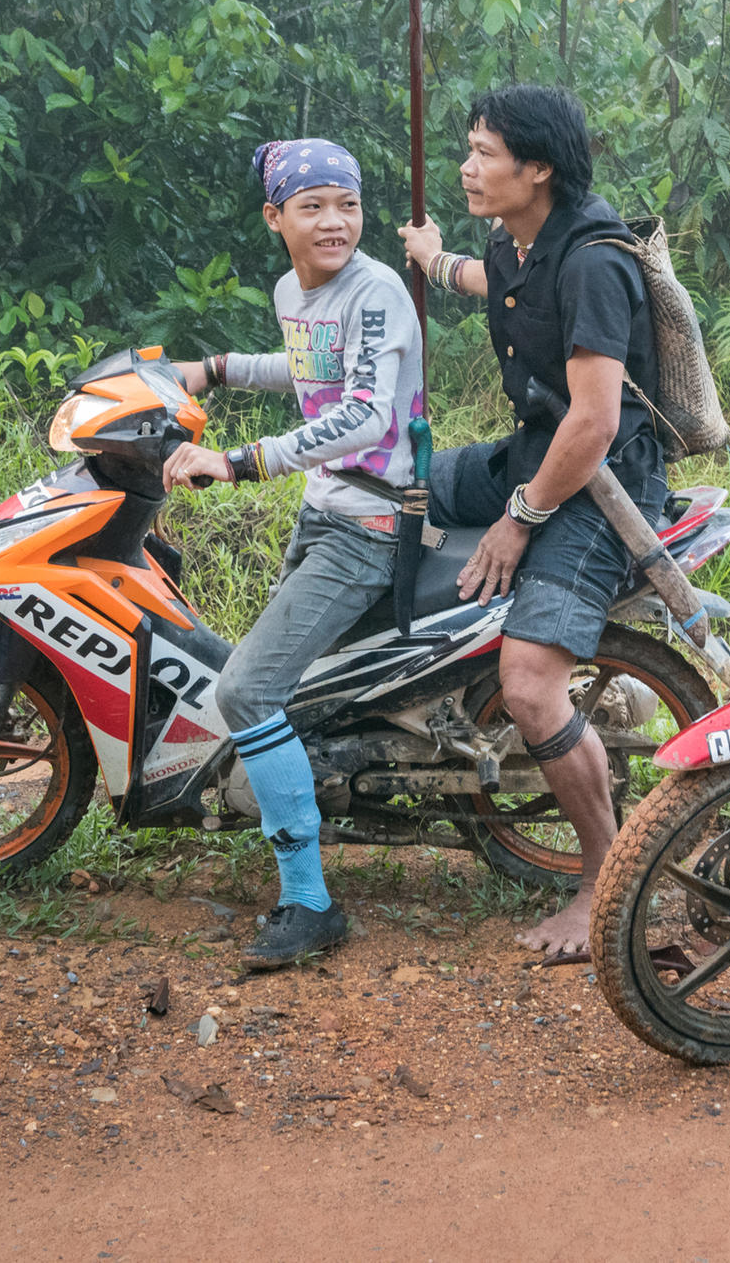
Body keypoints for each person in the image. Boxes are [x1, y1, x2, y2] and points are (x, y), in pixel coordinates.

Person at [399, 85, 665, 958]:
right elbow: (495, 280)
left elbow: (592, 423)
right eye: (469, 149)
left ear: (538, 168)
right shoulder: (518, 238)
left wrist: (519, 521)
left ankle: (605, 886)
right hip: (534, 451)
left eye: (483, 153)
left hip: (600, 486)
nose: (467, 168)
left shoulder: (593, 261)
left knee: (529, 685)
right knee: (393, 488)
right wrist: (433, 259)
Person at [163, 137, 425, 969]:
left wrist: (241, 462)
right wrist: (211, 370)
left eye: (346, 203)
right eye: (312, 206)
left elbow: (364, 413)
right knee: (290, 689)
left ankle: (310, 902)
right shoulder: (294, 288)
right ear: (275, 217)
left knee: (246, 690)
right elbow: (311, 366)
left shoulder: (376, 289)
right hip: (324, 514)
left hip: (369, 525)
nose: (334, 221)